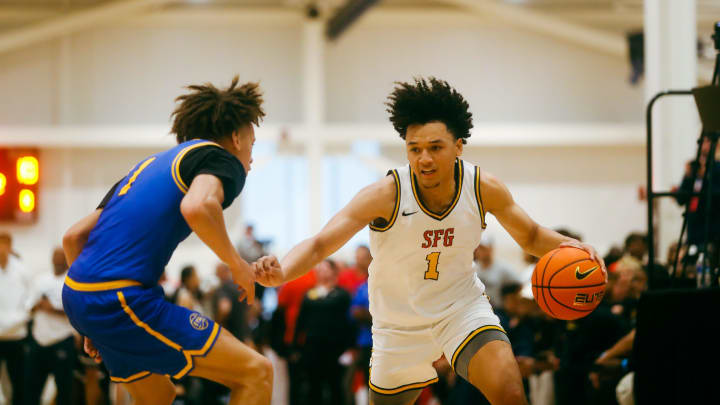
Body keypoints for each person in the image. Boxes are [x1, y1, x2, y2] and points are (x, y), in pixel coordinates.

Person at [254, 77, 605, 405]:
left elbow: (530, 235)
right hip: (398, 324)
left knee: (510, 392)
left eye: (435, 147)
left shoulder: (482, 187)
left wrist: (572, 248)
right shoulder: (386, 194)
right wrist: (282, 270)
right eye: (414, 148)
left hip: (461, 309)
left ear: (458, 146)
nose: (423, 158)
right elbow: (320, 244)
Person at [61, 76, 273, 405]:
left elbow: (74, 237)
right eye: (252, 145)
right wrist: (238, 264)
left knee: (158, 395)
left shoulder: (145, 166)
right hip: (122, 299)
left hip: (79, 296)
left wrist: (91, 319)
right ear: (235, 137)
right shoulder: (221, 159)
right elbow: (198, 206)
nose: (251, 158)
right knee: (256, 371)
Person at [294, 259, 353, 405]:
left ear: (333, 271)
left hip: (335, 349)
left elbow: (349, 323)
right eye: (318, 268)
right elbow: (300, 322)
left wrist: (350, 348)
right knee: (313, 386)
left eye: (325, 268)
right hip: (312, 347)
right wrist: (295, 346)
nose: (321, 271)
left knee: (335, 386)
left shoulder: (342, 295)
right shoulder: (309, 294)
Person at [24, 247, 77, 405]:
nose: (57, 261)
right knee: (31, 388)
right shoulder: (41, 280)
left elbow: (76, 312)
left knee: (64, 389)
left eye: (61, 258)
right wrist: (37, 305)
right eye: (55, 257)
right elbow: (28, 306)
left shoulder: (73, 282)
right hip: (39, 340)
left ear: (67, 259)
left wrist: (52, 309)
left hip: (62, 340)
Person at [0, 232, 28, 405]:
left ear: (10, 247)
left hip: (16, 336)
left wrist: (11, 322)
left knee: (18, 382)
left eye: (4, 244)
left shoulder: (22, 271)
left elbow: (30, 302)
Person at [473, 234, 523, 308]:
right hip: (480, 308)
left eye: (482, 248)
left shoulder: (503, 268)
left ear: (490, 248)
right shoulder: (474, 268)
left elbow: (519, 285)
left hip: (498, 310)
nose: (479, 251)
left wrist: (512, 304)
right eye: (478, 248)